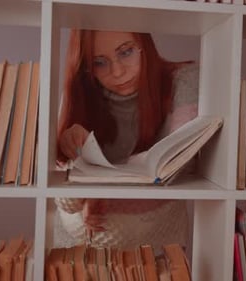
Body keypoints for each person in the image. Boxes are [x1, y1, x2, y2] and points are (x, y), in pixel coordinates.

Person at [54, 29, 199, 252]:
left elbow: (176, 165)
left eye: (126, 52)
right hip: (77, 249)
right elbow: (67, 197)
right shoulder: (80, 88)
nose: (118, 71)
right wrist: (65, 148)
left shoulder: (183, 79)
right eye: (99, 62)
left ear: (144, 45)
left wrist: (100, 194)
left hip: (156, 249)